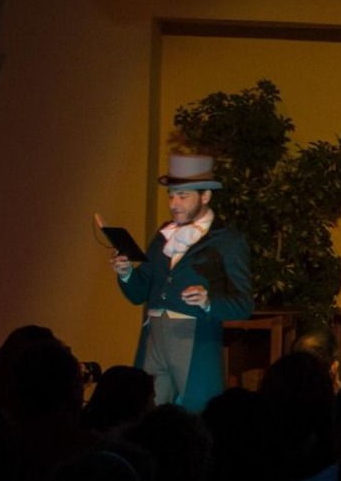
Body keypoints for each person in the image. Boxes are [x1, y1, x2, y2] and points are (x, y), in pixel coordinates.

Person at [106, 153, 255, 412]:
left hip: (194, 336)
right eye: (171, 196)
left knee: (196, 411)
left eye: (183, 196)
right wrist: (126, 273)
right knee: (144, 412)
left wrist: (208, 302)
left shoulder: (228, 240)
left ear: (205, 196)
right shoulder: (164, 236)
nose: (174, 204)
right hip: (154, 336)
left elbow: (244, 304)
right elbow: (139, 293)